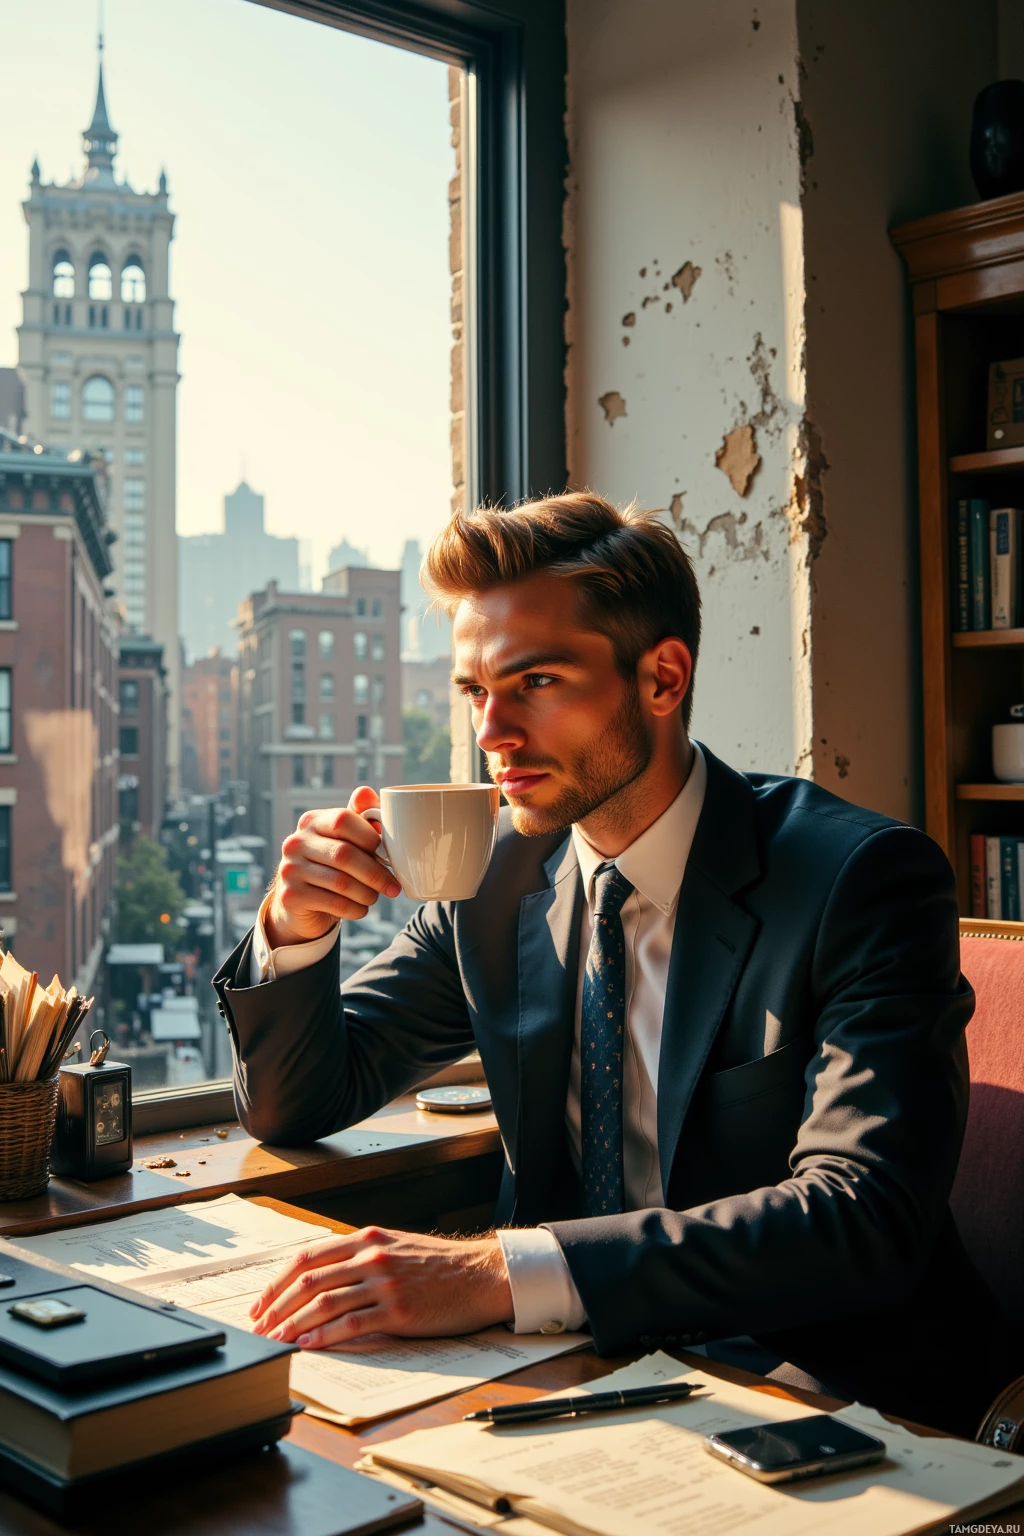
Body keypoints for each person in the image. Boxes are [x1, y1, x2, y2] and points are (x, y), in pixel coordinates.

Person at [214, 491, 1020, 1439]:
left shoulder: (860, 881)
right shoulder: (493, 876)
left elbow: (862, 1215)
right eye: (476, 690)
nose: (492, 734)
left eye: (537, 682)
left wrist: (494, 1270)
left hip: (830, 1390)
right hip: (577, 1376)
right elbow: (299, 1103)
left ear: (663, 679)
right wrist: (295, 928)